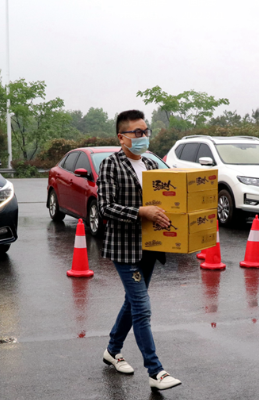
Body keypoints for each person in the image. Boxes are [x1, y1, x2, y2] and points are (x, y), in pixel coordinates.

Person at [97, 110, 182, 391]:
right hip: (124, 248)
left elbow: (170, 201)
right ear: (122, 137)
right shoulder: (111, 165)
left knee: (132, 302)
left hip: (150, 247)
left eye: (146, 131)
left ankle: (112, 350)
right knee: (142, 308)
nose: (143, 136)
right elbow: (105, 206)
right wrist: (140, 211)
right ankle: (156, 371)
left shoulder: (150, 165)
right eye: (137, 132)